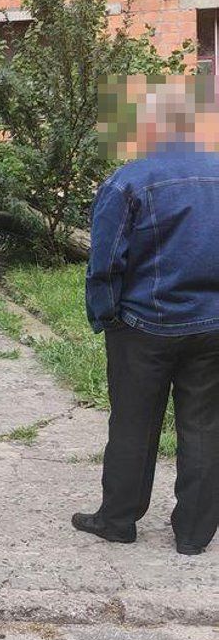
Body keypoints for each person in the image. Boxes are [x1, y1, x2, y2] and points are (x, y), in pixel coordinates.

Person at [75, 84, 219, 554]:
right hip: (212, 324)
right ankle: (194, 536)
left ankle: (118, 521)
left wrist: (106, 317)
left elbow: (105, 260)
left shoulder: (129, 181)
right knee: (204, 427)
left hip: (143, 326)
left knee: (133, 425)